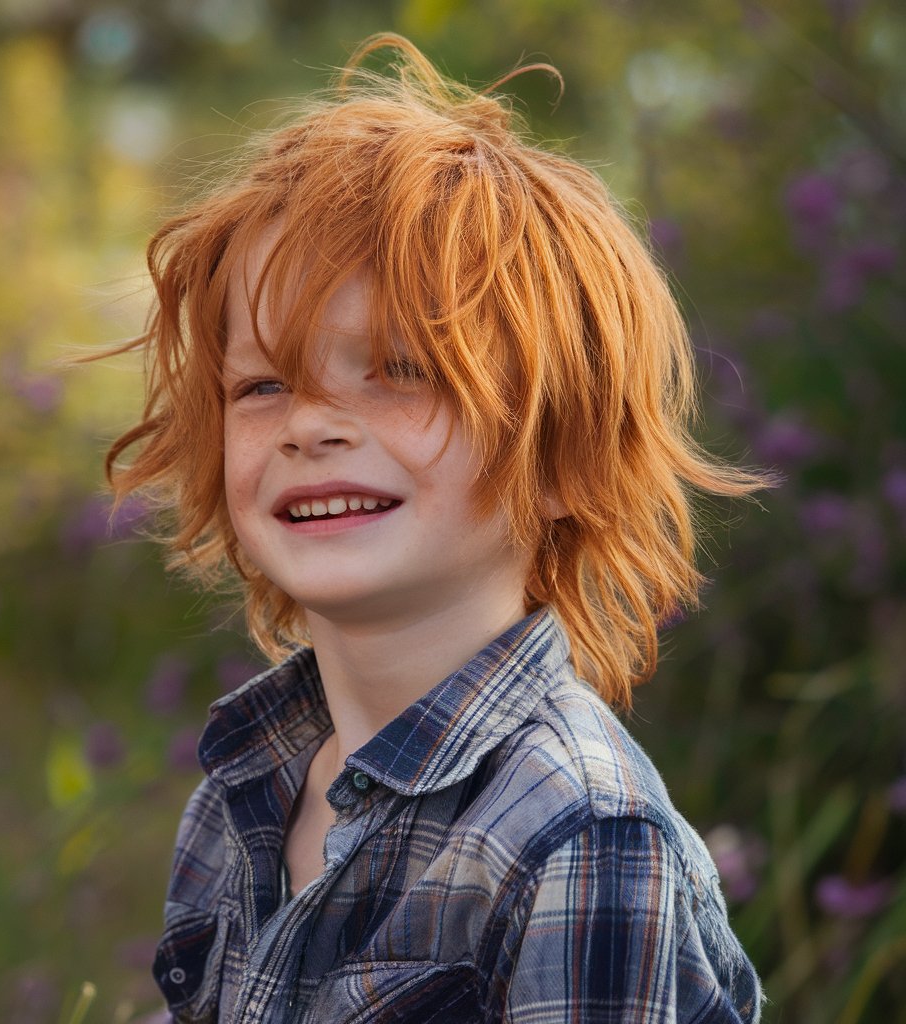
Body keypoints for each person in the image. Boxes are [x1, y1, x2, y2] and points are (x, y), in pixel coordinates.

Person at [103, 33, 765, 1023]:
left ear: (558, 455)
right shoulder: (241, 796)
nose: (311, 423)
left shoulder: (579, 835)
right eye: (264, 383)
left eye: (402, 370)